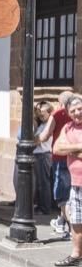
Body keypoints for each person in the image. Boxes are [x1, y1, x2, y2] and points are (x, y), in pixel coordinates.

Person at [53, 95, 82, 267]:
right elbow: (57, 148)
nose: (77, 113)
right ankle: (76, 255)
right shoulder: (67, 127)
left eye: (80, 109)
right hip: (76, 182)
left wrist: (69, 149)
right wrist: (78, 147)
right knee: (76, 221)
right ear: (68, 113)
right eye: (73, 111)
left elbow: (64, 149)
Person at [47, 92, 74, 237]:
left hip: (60, 157)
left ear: (62, 103)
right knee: (73, 194)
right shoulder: (76, 115)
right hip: (75, 159)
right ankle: (61, 221)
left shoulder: (57, 114)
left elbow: (46, 134)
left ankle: (72, 228)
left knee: (63, 197)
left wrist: (34, 141)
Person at [33, 101, 54, 215]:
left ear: (49, 113)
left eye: (43, 112)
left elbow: (37, 140)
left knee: (43, 182)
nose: (40, 114)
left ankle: (45, 208)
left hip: (43, 154)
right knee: (39, 183)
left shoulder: (49, 125)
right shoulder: (41, 124)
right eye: (39, 112)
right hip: (38, 154)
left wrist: (34, 139)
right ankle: (40, 205)